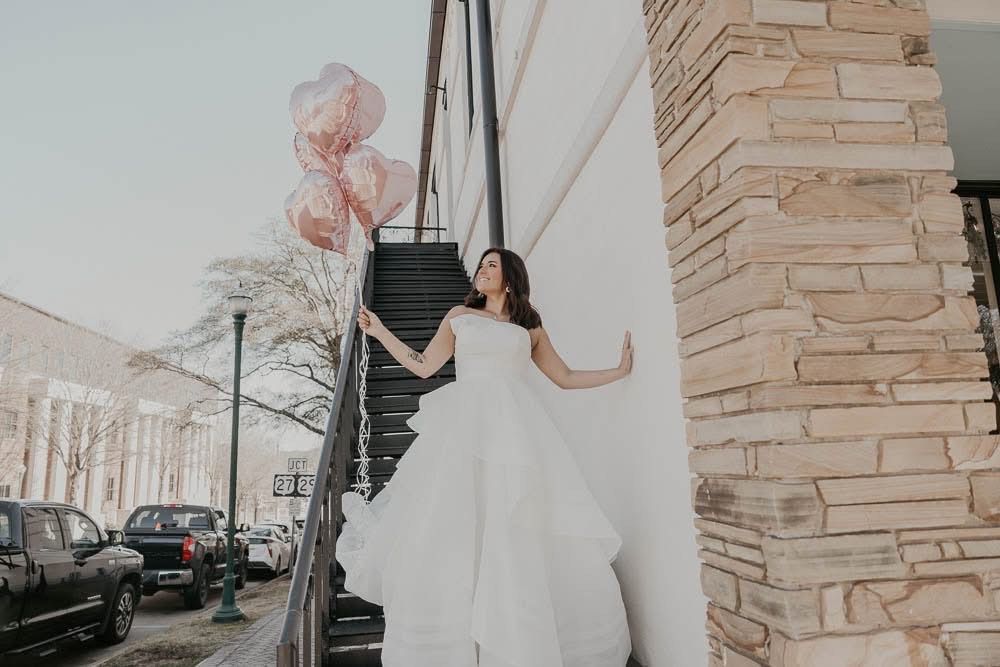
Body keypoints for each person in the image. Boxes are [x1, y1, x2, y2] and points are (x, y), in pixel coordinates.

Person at [337, 246, 634, 667]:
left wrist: (616, 371)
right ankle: (454, 645)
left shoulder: (529, 327)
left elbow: (564, 377)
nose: (481, 270)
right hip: (464, 430)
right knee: (457, 524)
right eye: (480, 265)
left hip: (516, 432)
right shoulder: (460, 316)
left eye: (491, 265)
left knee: (515, 527)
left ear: (510, 276)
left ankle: (517, 641)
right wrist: (381, 331)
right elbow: (424, 365)